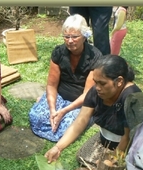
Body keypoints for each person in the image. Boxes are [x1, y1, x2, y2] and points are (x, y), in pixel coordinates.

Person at [44, 55, 142, 165]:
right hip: (105, 139)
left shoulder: (131, 98)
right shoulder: (96, 90)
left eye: (103, 83)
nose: (97, 88)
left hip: (128, 147)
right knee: (82, 158)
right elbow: (81, 120)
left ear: (119, 81)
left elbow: (127, 137)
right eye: (96, 82)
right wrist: (58, 147)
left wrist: (110, 162)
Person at [29, 14, 102, 142]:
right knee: (37, 117)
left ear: (84, 36)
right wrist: (53, 109)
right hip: (61, 97)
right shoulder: (59, 52)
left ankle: (87, 116)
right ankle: (49, 107)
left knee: (67, 127)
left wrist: (63, 111)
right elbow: (51, 85)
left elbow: (87, 93)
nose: (70, 40)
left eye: (74, 36)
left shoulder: (95, 56)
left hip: (81, 102)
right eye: (66, 36)